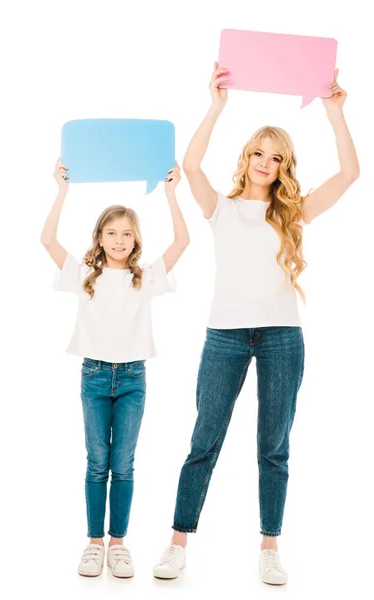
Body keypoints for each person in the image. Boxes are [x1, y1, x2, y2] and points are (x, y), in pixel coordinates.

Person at [153, 62, 359, 585]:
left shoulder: (293, 213)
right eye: (258, 153)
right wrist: (216, 105)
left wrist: (336, 113)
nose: (266, 162)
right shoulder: (220, 208)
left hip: (282, 339)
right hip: (224, 336)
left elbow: (350, 175)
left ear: (284, 166)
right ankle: (178, 542)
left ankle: (269, 546)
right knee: (205, 439)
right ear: (246, 158)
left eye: (277, 157)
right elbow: (192, 166)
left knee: (274, 445)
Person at [41, 158, 189, 578]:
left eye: (126, 233)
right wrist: (61, 189)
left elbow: (183, 242)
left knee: (123, 463)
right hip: (93, 376)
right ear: (100, 238)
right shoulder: (86, 274)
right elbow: (47, 239)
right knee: (96, 461)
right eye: (111, 232)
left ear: (136, 239)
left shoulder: (146, 276)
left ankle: (118, 544)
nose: (119, 240)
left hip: (132, 379)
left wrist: (171, 194)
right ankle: (93, 543)